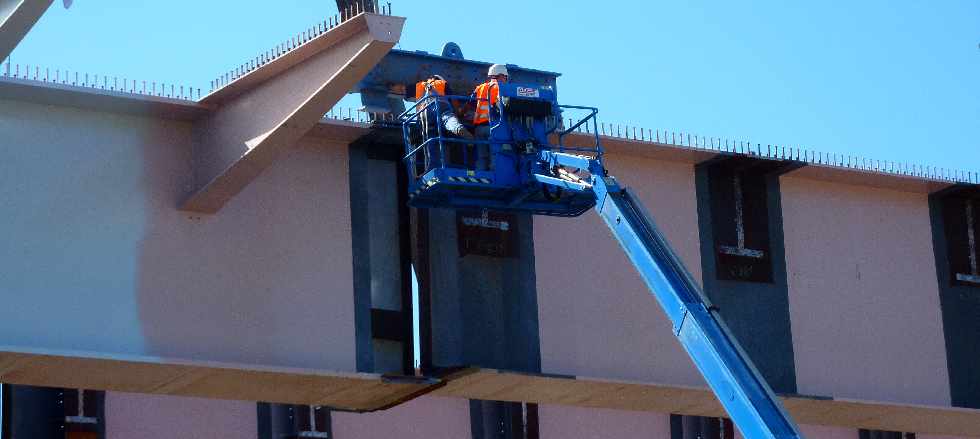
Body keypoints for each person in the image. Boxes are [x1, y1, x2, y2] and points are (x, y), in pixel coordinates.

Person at [414, 75, 471, 171]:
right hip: (441, 104)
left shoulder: (419, 85)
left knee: (430, 139)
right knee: (448, 118)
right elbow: (453, 100)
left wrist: (419, 121)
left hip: (424, 111)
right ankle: (457, 127)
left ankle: (432, 168)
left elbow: (417, 106)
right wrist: (458, 114)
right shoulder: (442, 83)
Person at [470, 64, 508, 170]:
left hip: (478, 127)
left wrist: (460, 113)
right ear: (500, 75)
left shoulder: (480, 87)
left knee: (481, 156)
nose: (505, 79)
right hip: (493, 126)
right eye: (505, 77)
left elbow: (471, 103)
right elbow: (501, 105)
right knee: (494, 153)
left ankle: (481, 173)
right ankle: (494, 174)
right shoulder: (500, 87)